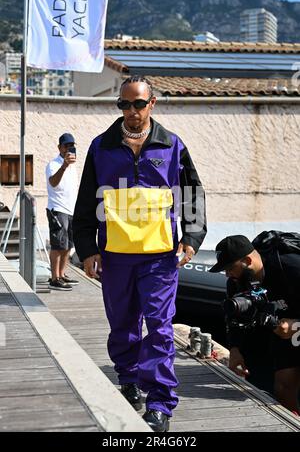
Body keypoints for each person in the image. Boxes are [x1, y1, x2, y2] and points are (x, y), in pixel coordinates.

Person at [73, 76, 207, 431]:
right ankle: (128, 378)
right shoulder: (101, 147)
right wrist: (87, 249)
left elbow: (191, 194)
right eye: (124, 105)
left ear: (153, 103)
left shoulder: (172, 145)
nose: (131, 111)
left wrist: (191, 237)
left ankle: (160, 402)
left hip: (161, 257)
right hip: (115, 255)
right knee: (123, 325)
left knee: (160, 327)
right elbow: (87, 201)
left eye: (138, 104)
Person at [210, 235, 300, 414]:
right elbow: (234, 318)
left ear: (248, 260)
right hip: (283, 328)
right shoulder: (236, 283)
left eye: (229, 268)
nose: (227, 274)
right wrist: (235, 349)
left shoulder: (291, 267)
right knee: (283, 386)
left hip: (295, 324)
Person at [46, 132, 79, 291]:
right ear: (59, 147)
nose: (69, 148)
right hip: (57, 209)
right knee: (58, 245)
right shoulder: (54, 164)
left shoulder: (73, 166)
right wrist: (64, 166)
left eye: (72, 145)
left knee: (68, 245)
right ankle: (54, 278)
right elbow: (53, 182)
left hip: (71, 209)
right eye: (66, 145)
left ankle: (62, 273)